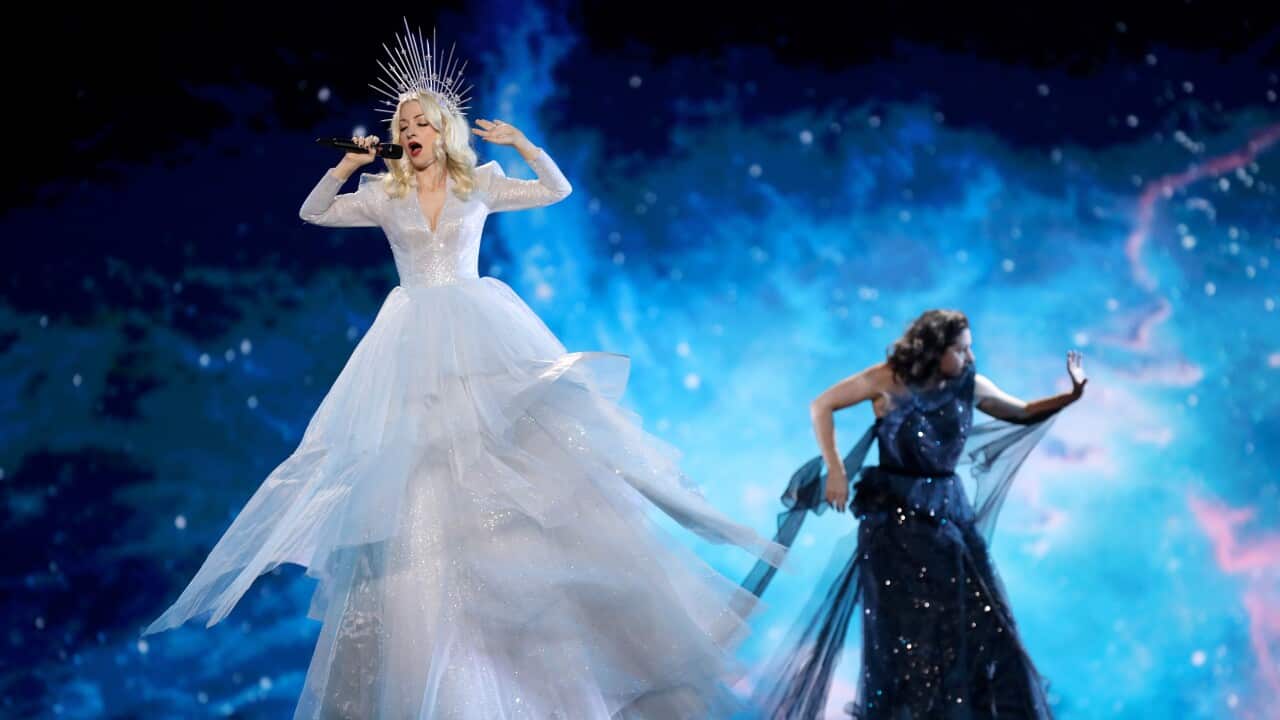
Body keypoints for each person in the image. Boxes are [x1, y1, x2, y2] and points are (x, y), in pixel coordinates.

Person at [142, 20, 783, 720]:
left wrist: (522, 145)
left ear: (443, 128)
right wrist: (347, 166)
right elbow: (313, 212)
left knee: (517, 464)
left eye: (422, 120)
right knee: (418, 480)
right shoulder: (385, 195)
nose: (411, 128)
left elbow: (558, 191)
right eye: (403, 121)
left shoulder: (481, 181)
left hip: (481, 332)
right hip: (411, 340)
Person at [743, 309, 1084, 719]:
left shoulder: (969, 384)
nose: (970, 358)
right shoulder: (887, 380)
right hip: (894, 524)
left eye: (969, 348)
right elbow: (822, 405)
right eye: (960, 350)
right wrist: (835, 468)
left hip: (948, 517)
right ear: (933, 348)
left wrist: (1071, 395)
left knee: (980, 627)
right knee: (906, 640)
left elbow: (1023, 410)